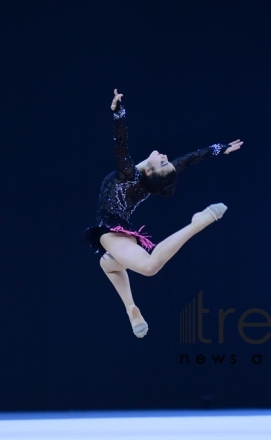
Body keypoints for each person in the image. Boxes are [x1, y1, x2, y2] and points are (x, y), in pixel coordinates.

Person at [83, 89, 242, 338]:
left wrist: (118, 113)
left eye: (163, 162)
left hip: (110, 232)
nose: (167, 157)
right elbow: (190, 159)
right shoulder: (148, 181)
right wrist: (220, 148)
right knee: (109, 266)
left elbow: (121, 142)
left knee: (149, 267)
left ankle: (198, 222)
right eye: (167, 162)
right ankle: (131, 308)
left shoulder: (129, 174)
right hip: (121, 235)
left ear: (149, 172)